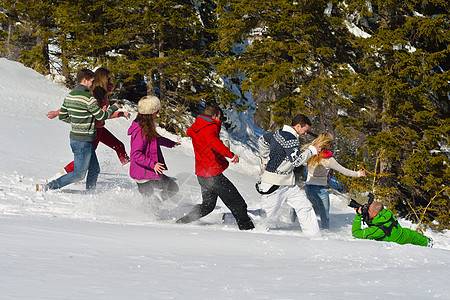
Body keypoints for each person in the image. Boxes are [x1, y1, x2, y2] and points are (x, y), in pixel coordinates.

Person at [176, 103, 255, 230]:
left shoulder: (198, 126)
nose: (220, 120)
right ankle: (248, 229)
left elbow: (194, 134)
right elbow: (214, 142)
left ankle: (182, 222)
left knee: (207, 206)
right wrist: (230, 154)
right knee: (238, 202)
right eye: (220, 117)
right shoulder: (209, 128)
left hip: (202, 175)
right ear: (215, 116)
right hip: (213, 177)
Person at [40, 69, 119, 191]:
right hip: (83, 141)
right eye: (92, 81)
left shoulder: (70, 95)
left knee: (94, 169)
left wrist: (78, 122)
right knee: (79, 174)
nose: (93, 84)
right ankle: (49, 186)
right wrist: (114, 108)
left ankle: (90, 193)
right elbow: (101, 116)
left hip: (78, 138)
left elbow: (63, 116)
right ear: (84, 80)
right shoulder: (89, 98)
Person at [256, 113, 321, 236]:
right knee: (264, 216)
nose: (305, 134)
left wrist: (265, 159)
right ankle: (229, 219)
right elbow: (296, 162)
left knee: (304, 206)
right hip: (274, 183)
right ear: (298, 126)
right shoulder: (291, 139)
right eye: (305, 130)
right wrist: (311, 151)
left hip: (288, 184)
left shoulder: (278, 132)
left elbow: (262, 140)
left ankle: (314, 235)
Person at [304, 133, 366, 229]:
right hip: (320, 190)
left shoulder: (310, 154)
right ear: (327, 145)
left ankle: (300, 223)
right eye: (330, 144)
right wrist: (358, 174)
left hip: (308, 189)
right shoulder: (329, 160)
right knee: (324, 215)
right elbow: (344, 171)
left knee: (310, 209)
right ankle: (325, 233)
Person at [128, 95, 180, 200]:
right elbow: (136, 154)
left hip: (147, 172)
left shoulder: (147, 127)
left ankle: (155, 204)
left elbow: (156, 139)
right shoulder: (140, 130)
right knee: (152, 200)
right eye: (157, 111)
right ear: (151, 113)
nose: (157, 114)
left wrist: (171, 143)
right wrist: (154, 164)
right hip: (143, 174)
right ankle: (148, 212)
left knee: (170, 189)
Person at [352, 201, 433, 247]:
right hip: (405, 233)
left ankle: (428, 244)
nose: (367, 211)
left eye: (368, 211)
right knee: (416, 237)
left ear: (375, 214)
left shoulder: (378, 230)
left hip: (399, 242)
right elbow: (375, 222)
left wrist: (358, 215)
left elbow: (356, 233)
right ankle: (427, 242)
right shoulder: (386, 213)